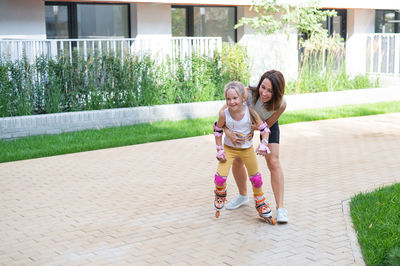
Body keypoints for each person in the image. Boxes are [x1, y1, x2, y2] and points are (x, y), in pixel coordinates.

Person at [224, 70, 288, 223]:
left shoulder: (281, 104)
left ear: (277, 92)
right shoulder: (247, 93)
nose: (264, 93)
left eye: (270, 91)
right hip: (244, 123)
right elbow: (224, 116)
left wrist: (262, 141)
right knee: (238, 159)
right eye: (263, 87)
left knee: (273, 161)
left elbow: (269, 125)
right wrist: (230, 132)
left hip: (264, 125)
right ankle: (242, 195)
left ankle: (280, 208)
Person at [212, 81, 275, 225]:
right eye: (228, 99)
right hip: (229, 149)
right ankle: (220, 194)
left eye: (235, 98)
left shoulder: (250, 112)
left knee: (256, 178)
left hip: (247, 149)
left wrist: (264, 144)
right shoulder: (224, 114)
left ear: (242, 98)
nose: (231, 102)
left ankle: (260, 203)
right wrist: (219, 149)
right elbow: (217, 130)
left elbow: (265, 129)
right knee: (220, 177)